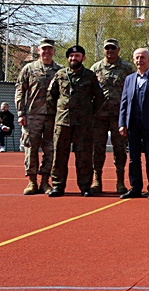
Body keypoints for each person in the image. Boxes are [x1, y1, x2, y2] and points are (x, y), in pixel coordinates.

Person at [47, 45, 103, 197]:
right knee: (59, 155)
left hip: (83, 124)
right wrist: (60, 110)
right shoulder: (60, 75)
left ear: (83, 58)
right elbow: (51, 96)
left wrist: (90, 113)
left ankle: (85, 186)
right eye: (71, 56)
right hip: (62, 122)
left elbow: (99, 97)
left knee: (84, 156)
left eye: (77, 56)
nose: (74, 58)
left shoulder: (90, 76)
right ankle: (58, 186)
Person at [118, 48, 149, 199]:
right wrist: (122, 123)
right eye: (137, 58)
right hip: (132, 125)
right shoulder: (129, 79)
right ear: (133, 60)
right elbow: (124, 103)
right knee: (133, 158)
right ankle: (135, 187)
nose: (140, 60)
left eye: (142, 58)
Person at [16, 38, 62, 194]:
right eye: (44, 49)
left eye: (50, 49)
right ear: (39, 51)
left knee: (50, 149)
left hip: (52, 116)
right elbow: (20, 91)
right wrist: (21, 113)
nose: (47, 52)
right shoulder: (29, 69)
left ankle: (45, 181)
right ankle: (32, 181)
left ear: (53, 51)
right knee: (31, 148)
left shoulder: (60, 70)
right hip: (32, 115)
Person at [90, 38, 136, 194]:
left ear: (118, 49)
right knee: (98, 149)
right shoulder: (95, 68)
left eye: (113, 48)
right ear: (103, 50)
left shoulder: (127, 68)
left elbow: (132, 92)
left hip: (119, 116)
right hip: (99, 116)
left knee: (120, 149)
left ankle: (120, 182)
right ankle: (97, 180)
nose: (110, 51)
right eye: (107, 48)